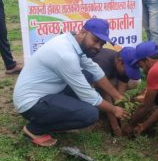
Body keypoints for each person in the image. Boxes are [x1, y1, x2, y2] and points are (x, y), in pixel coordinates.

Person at [13, 18, 128, 147]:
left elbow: (95, 70)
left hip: (45, 92)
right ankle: (35, 129)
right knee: (90, 114)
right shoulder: (66, 55)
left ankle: (59, 117)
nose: (98, 47)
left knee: (88, 75)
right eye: (95, 40)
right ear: (83, 32)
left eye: (102, 44)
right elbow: (88, 96)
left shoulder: (73, 43)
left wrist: (118, 96)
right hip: (31, 104)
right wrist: (114, 109)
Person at [91, 47, 141, 137]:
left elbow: (120, 96)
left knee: (134, 82)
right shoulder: (103, 62)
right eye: (128, 70)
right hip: (90, 81)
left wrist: (124, 123)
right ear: (119, 61)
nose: (128, 73)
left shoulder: (123, 65)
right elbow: (105, 93)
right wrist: (116, 128)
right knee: (102, 95)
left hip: (109, 77)